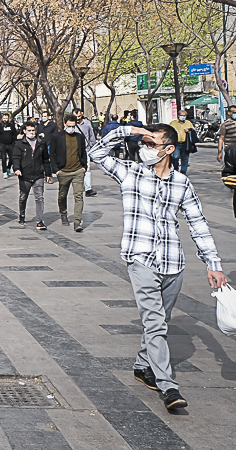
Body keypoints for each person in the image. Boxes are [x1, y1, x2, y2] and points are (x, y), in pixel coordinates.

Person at [90, 122, 226, 411]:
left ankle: (142, 365)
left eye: (152, 144)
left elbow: (198, 224)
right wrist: (129, 131)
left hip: (173, 262)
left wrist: (213, 264)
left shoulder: (181, 183)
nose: (146, 149)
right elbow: (97, 153)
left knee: (159, 320)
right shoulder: (130, 172)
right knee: (155, 323)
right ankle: (168, 386)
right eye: (145, 143)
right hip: (141, 259)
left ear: (169, 149)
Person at [11, 122, 52, 229]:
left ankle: (40, 221)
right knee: (23, 197)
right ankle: (22, 214)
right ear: (24, 131)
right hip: (25, 175)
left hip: (38, 174)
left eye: (33, 130)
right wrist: (17, 169)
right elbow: (15, 158)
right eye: (29, 130)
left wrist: (48, 173)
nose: (31, 133)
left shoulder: (41, 143)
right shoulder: (19, 144)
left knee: (39, 198)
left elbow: (46, 159)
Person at [52, 113, 88, 232]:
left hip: (78, 170)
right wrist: (56, 170)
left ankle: (77, 221)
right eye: (69, 126)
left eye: (73, 126)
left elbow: (83, 152)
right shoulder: (57, 136)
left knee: (79, 196)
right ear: (64, 124)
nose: (71, 128)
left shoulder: (79, 136)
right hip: (63, 171)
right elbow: (52, 154)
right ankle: (63, 213)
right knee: (62, 195)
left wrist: (84, 167)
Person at [73, 107, 98, 197]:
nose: (78, 118)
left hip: (85, 150)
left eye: (79, 116)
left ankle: (88, 189)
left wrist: (94, 146)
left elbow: (91, 135)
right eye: (76, 116)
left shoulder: (87, 123)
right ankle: (77, 187)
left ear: (82, 114)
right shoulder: (71, 124)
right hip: (74, 151)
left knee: (87, 169)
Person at [169, 109, 196, 174]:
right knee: (175, 157)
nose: (183, 117)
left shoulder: (188, 123)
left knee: (185, 159)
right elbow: (169, 131)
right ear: (178, 116)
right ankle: (175, 170)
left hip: (186, 144)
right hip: (176, 144)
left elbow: (193, 132)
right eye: (181, 115)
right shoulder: (173, 123)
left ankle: (183, 173)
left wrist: (189, 131)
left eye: (184, 116)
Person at [0, 114, 18, 179]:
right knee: (3, 159)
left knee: (12, 158)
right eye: (4, 118)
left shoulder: (12, 126)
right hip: (2, 145)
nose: (5, 120)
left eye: (6, 118)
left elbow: (15, 135)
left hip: (11, 145)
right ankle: (4, 172)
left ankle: (8, 168)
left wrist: (16, 144)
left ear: (8, 119)